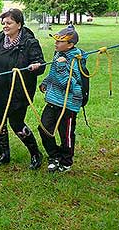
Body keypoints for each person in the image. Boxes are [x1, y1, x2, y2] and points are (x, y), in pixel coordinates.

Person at [0, 8, 45, 169]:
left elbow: (41, 65)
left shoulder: (30, 43)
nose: (5, 26)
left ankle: (36, 154)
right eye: (3, 23)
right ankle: (4, 155)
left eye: (9, 23)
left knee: (16, 123)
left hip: (17, 91)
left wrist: (35, 66)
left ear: (19, 24)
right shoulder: (0, 39)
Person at [38, 27, 82, 172]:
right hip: (53, 100)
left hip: (67, 104)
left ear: (70, 45)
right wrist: (45, 82)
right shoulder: (58, 55)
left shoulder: (76, 60)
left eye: (60, 41)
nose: (56, 43)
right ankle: (54, 155)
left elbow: (69, 85)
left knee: (66, 134)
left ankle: (66, 161)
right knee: (44, 128)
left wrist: (63, 66)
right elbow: (53, 74)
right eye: (56, 40)